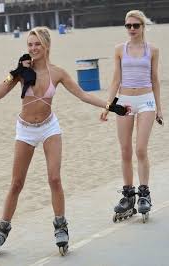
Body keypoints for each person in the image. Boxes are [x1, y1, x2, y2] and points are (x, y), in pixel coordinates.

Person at [0, 26, 129, 257]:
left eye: (37, 45)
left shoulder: (58, 73)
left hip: (49, 128)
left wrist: (112, 106)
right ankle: (2, 228)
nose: (33, 49)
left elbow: (83, 95)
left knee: (54, 178)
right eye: (30, 45)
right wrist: (14, 72)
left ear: (46, 46)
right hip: (25, 130)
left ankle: (60, 226)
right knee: (16, 183)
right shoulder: (22, 71)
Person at [101, 10, 163, 222]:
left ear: (143, 26)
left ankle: (144, 193)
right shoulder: (120, 49)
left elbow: (155, 79)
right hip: (125, 101)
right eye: (128, 26)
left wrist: (160, 108)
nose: (132, 29)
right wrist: (108, 105)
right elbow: (115, 80)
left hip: (146, 100)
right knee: (126, 150)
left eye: (136, 25)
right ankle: (128, 195)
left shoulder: (152, 50)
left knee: (141, 149)